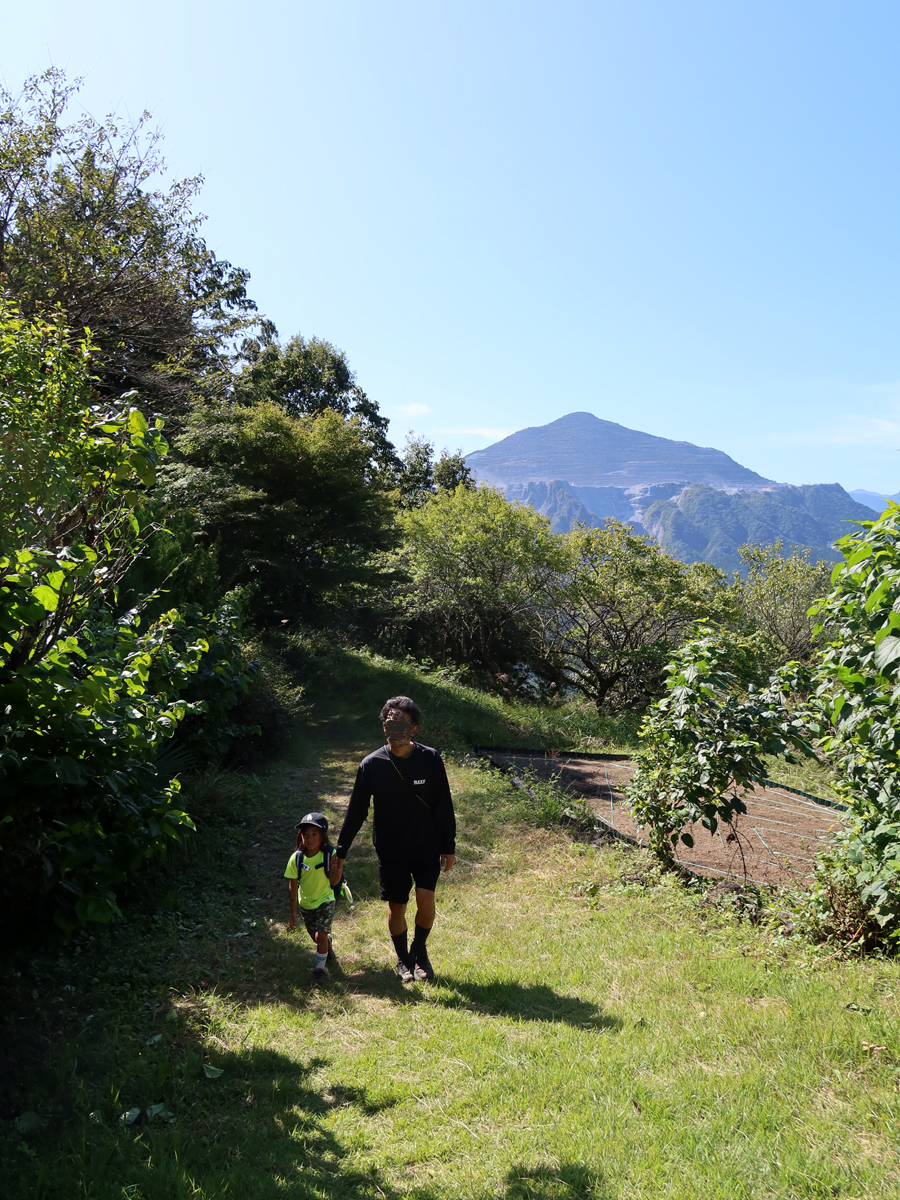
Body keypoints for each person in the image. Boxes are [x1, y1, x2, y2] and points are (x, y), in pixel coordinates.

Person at [332, 696, 456, 982]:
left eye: (401, 721)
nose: (394, 727)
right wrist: (341, 850)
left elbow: (442, 804)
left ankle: (419, 951)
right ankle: (403, 959)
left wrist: (448, 844)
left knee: (425, 901)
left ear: (413, 728)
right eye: (389, 720)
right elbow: (356, 811)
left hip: (426, 844)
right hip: (391, 847)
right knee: (396, 906)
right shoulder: (371, 765)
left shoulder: (430, 759)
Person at [285, 812, 344, 985]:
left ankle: (319, 971)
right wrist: (293, 912)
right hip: (306, 904)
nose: (309, 839)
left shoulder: (330, 854)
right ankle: (328, 948)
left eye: (314, 834)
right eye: (305, 834)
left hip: (326, 899)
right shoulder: (296, 858)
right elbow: (292, 884)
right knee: (316, 937)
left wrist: (337, 872)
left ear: (324, 836)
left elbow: (334, 881)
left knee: (321, 935)